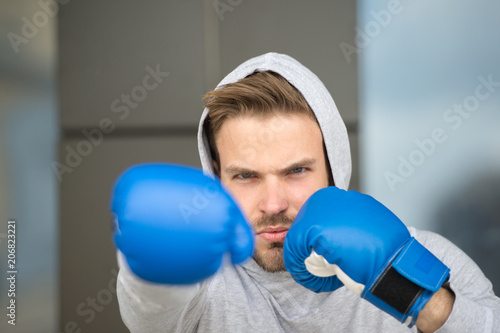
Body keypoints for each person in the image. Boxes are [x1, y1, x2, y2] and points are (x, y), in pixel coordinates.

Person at [111, 53, 500, 332]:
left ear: (335, 168)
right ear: (215, 179)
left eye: (296, 171)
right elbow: (150, 314)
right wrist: (147, 262)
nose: (274, 204)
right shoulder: (201, 276)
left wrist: (416, 293)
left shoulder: (427, 258)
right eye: (246, 176)